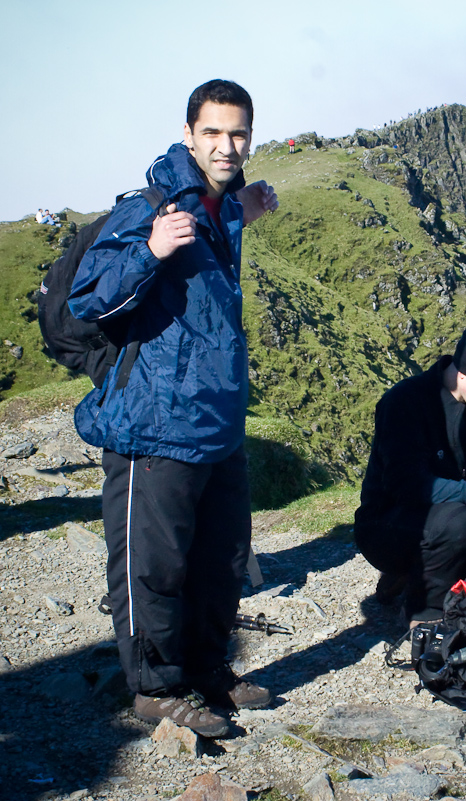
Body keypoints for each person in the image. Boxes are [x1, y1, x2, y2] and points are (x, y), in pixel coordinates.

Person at [68, 79, 279, 738]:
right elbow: (88, 300)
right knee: (153, 569)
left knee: (221, 559)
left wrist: (242, 208)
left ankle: (209, 668)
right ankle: (156, 689)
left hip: (216, 424)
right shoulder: (149, 208)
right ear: (189, 134)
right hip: (153, 424)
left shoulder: (221, 205)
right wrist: (150, 250)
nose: (226, 144)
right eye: (212, 132)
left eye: (237, 132)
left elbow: (217, 232)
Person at [354, 318, 466, 626]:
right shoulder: (404, 402)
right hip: (386, 528)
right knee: (456, 523)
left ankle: (409, 577)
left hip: (451, 527)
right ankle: (423, 617)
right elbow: (408, 486)